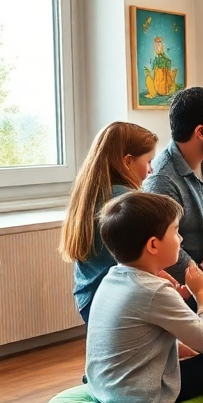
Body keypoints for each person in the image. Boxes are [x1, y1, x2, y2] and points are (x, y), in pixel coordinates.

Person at [85, 193, 203, 403]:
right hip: (143, 396)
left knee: (199, 356)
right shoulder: (155, 291)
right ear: (153, 244)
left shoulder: (112, 277)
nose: (181, 239)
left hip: (104, 387)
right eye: (175, 231)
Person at [144, 87, 203, 338]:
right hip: (179, 286)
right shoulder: (162, 179)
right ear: (200, 131)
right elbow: (162, 246)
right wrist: (201, 277)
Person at [60, 122, 159, 324]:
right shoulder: (127, 201)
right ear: (128, 161)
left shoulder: (89, 193)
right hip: (117, 298)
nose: (151, 170)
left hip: (88, 297)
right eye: (149, 161)